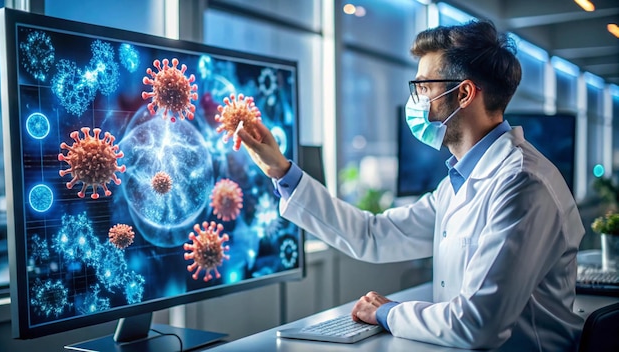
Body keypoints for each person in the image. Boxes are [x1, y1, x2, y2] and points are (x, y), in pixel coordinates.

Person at [236, 20, 585, 351]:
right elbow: (373, 235)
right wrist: (281, 171)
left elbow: (478, 323)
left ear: (464, 93)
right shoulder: (458, 183)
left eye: (423, 87)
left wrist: (387, 311)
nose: (415, 101)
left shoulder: (522, 183)